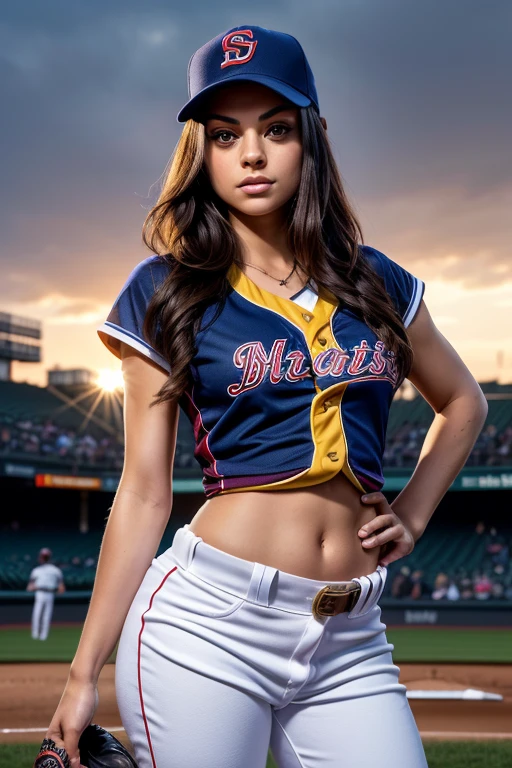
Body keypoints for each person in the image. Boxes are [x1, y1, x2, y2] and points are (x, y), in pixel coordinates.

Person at [44, 24, 488, 768]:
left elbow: (464, 402)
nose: (251, 154)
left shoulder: (378, 281)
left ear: (310, 138)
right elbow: (145, 494)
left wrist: (412, 516)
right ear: (203, 152)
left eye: (275, 129)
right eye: (225, 135)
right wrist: (82, 672)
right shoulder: (165, 290)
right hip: (209, 625)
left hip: (349, 635)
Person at [27, 547, 65, 640]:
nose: (43, 558)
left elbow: (61, 586)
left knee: (46, 615)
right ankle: (35, 634)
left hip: (50, 593)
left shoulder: (55, 570)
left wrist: (60, 589)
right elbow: (30, 586)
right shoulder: (37, 570)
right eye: (43, 556)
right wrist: (32, 587)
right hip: (40, 592)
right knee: (37, 613)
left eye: (45, 556)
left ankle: (43, 635)